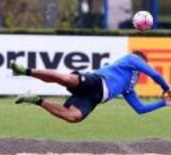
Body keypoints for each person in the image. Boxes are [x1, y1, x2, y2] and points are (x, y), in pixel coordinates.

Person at [11, 51, 171, 123]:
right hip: (97, 81)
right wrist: (167, 88)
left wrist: (165, 103)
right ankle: (24, 71)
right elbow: (155, 75)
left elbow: (140, 109)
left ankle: (35, 99)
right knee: (65, 79)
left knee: (73, 117)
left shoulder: (130, 86)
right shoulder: (132, 58)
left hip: (94, 98)